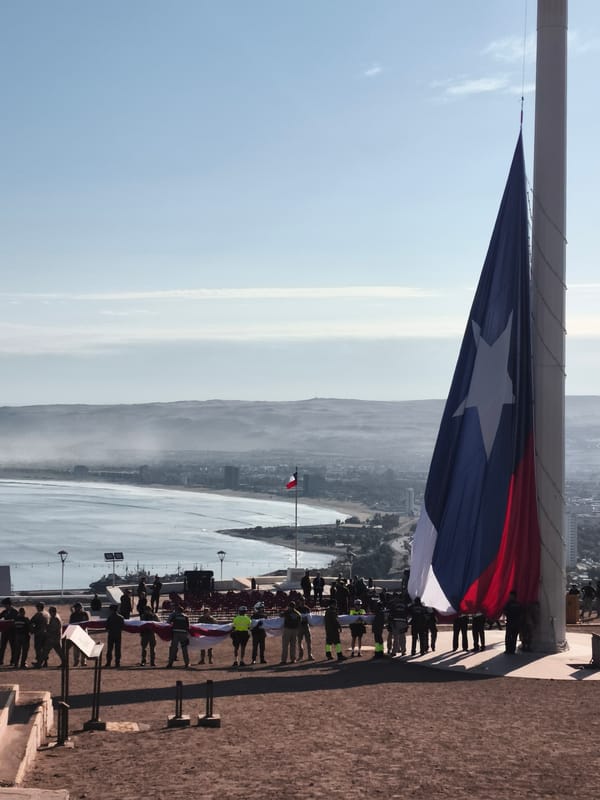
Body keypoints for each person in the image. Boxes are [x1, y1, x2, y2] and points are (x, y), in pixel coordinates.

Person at [167, 604, 190, 668]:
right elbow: (188, 627)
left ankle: (170, 663)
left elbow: (168, 622)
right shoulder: (186, 617)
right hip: (183, 634)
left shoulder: (174, 616)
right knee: (184, 649)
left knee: (173, 649)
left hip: (175, 634)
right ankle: (187, 663)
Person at [280, 600, 302, 664]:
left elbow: (280, 615)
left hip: (287, 629)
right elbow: (299, 622)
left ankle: (284, 660)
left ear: (289, 606)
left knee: (285, 645)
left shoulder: (287, 612)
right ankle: (293, 659)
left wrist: (285, 610)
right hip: (295, 630)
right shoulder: (298, 613)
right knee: (293, 645)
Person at [69, 602, 90, 666]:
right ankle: (76, 661)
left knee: (84, 647)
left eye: (76, 607)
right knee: (76, 648)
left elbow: (87, 622)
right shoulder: (73, 615)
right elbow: (71, 623)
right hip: (76, 632)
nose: (76, 609)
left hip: (83, 631)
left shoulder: (84, 614)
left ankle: (83, 661)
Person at [30, 602, 50, 668]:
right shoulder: (47, 614)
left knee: (38, 648)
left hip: (39, 633)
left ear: (39, 607)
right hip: (46, 633)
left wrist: (32, 629)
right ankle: (45, 662)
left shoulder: (39, 614)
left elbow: (32, 621)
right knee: (45, 648)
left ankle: (39, 662)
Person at [105, 604, 125, 668]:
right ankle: (117, 662)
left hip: (111, 635)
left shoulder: (110, 617)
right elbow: (122, 626)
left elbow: (107, 627)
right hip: (118, 635)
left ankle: (108, 662)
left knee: (110, 649)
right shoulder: (121, 617)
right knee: (117, 649)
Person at [0, 597, 18, 667]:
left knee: (13, 647)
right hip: (5, 632)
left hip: (12, 632)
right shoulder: (4, 612)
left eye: (5, 605)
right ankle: (0, 661)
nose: (4, 607)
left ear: (9, 605)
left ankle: (13, 661)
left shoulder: (15, 612)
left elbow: (17, 621)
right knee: (2, 647)